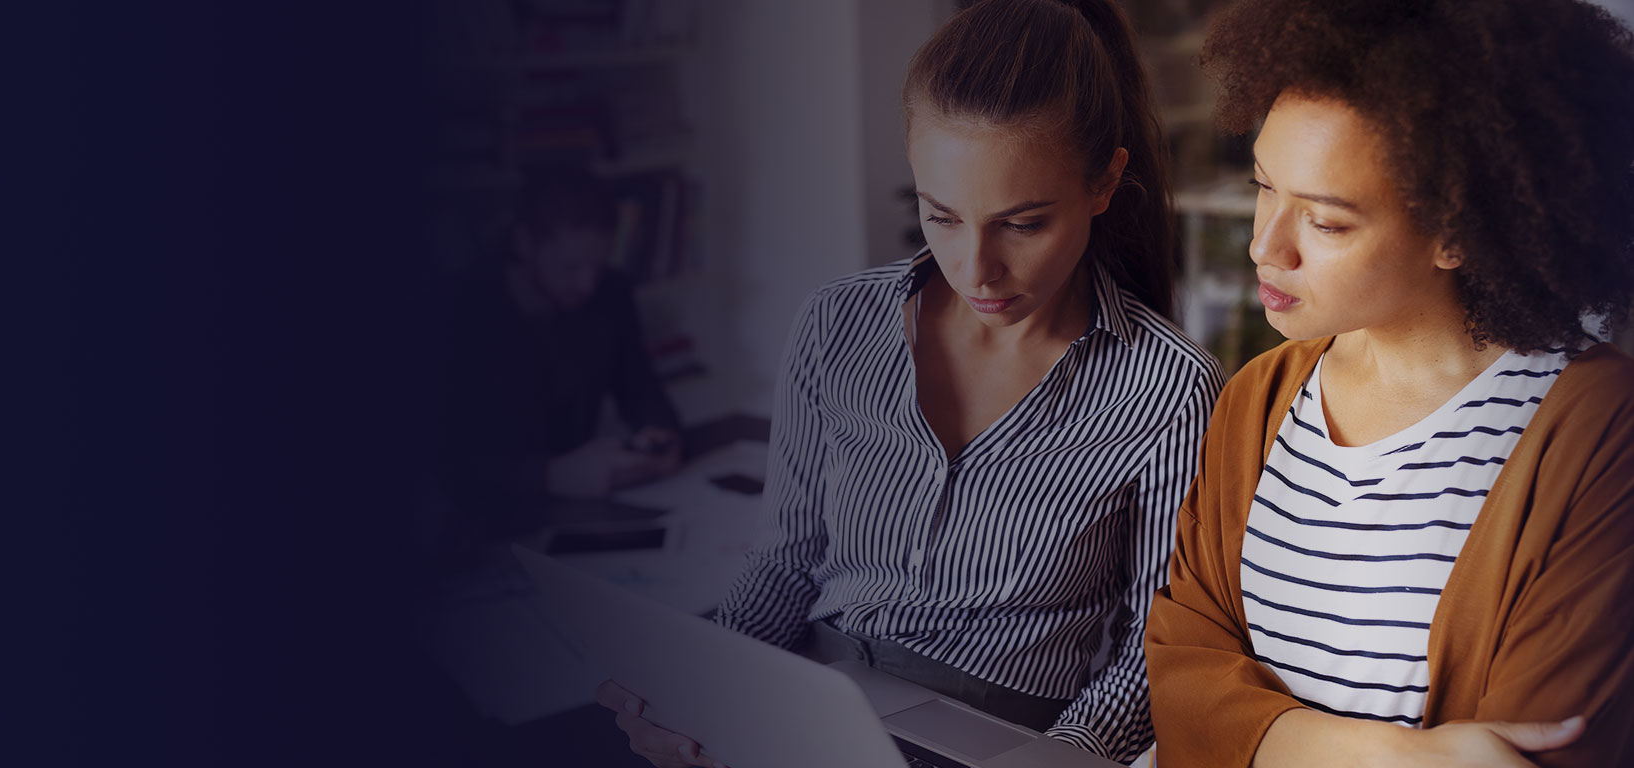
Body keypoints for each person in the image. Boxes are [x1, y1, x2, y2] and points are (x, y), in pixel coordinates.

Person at [595, 0, 1223, 764]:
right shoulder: (837, 325)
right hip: (801, 700)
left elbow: (1155, 650)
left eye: (1022, 224)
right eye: (942, 215)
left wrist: (1060, 755)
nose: (976, 269)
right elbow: (786, 562)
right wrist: (701, 685)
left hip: (999, 739)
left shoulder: (1168, 389)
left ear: (1104, 182)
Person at [1143, 1, 1634, 766]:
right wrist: (1396, 758)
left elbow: (1538, 746)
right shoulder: (1257, 399)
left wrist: (1256, 737)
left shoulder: (1599, 431)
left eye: (1328, 222)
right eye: (1265, 186)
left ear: (1457, 232)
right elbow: (1180, 676)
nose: (1266, 244)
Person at [438, 168, 683, 551]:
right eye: (570, 267)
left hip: (578, 514)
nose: (587, 284)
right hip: (477, 526)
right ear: (524, 242)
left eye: (597, 266)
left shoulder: (611, 293)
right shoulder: (460, 312)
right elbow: (447, 462)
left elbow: (641, 387)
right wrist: (549, 476)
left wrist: (656, 435)